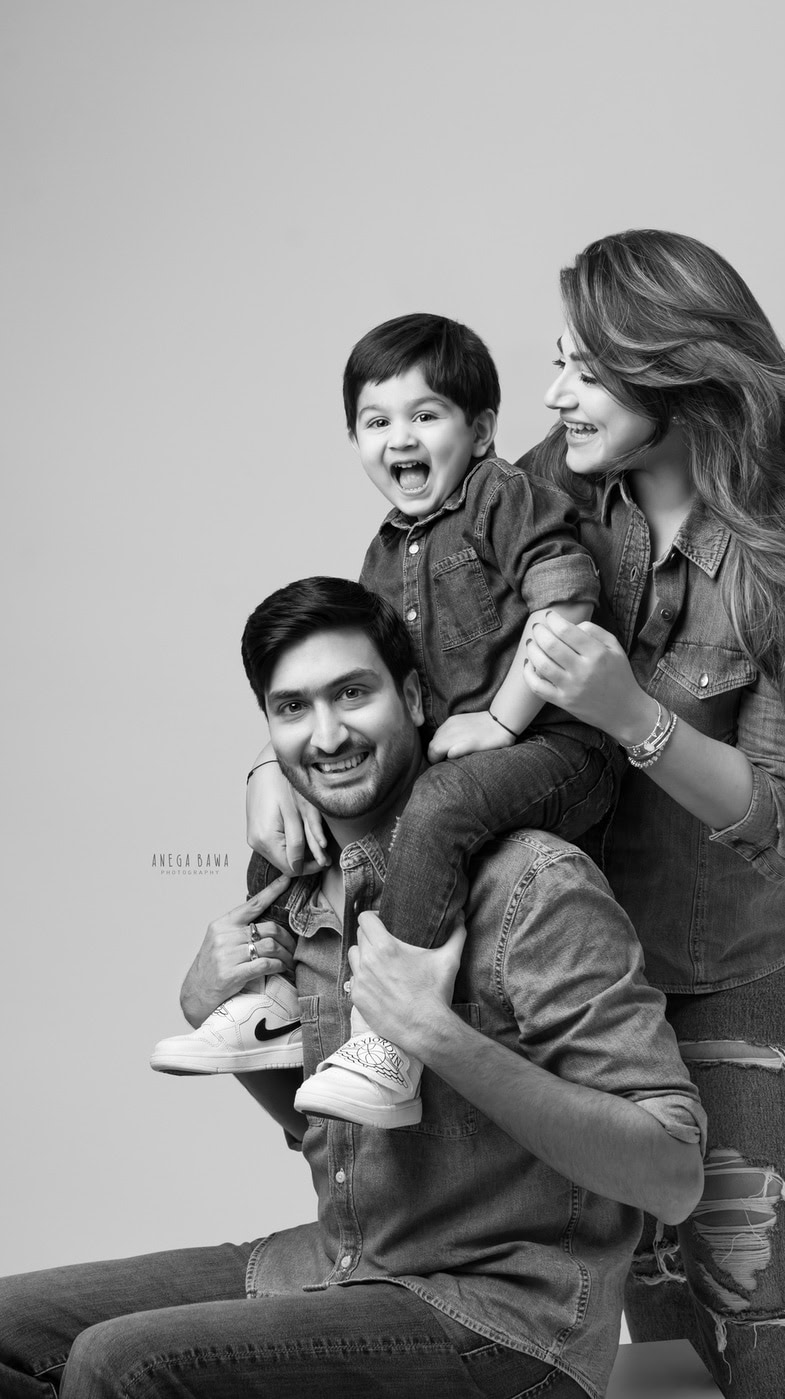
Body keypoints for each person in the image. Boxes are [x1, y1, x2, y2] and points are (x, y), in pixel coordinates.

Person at [0, 577, 706, 1399]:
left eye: (352, 694)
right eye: (292, 707)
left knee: (123, 1366)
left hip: (507, 1320)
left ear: (410, 697)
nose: (326, 733)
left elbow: (671, 1173)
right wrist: (214, 1017)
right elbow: (336, 1137)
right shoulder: (301, 891)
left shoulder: (532, 885)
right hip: (335, 1263)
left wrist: (435, 1034)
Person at [513, 229, 785, 1399]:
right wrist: (274, 761)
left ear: (673, 374)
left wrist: (634, 715)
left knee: (744, 1290)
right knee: (644, 1290)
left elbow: (773, 811)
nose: (555, 392)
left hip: (735, 970)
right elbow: (417, 602)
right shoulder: (566, 493)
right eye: (556, 361)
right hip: (589, 972)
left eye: (584, 368)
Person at [151, 313, 621, 1130]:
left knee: (436, 808)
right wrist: (277, 761)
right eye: (376, 422)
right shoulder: (385, 550)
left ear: (479, 431)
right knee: (304, 820)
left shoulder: (500, 496)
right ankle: (271, 1002)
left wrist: (503, 724)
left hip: (559, 748)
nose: (399, 437)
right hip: (468, 757)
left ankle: (389, 1038)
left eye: (424, 415)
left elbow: (567, 599)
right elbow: (370, 675)